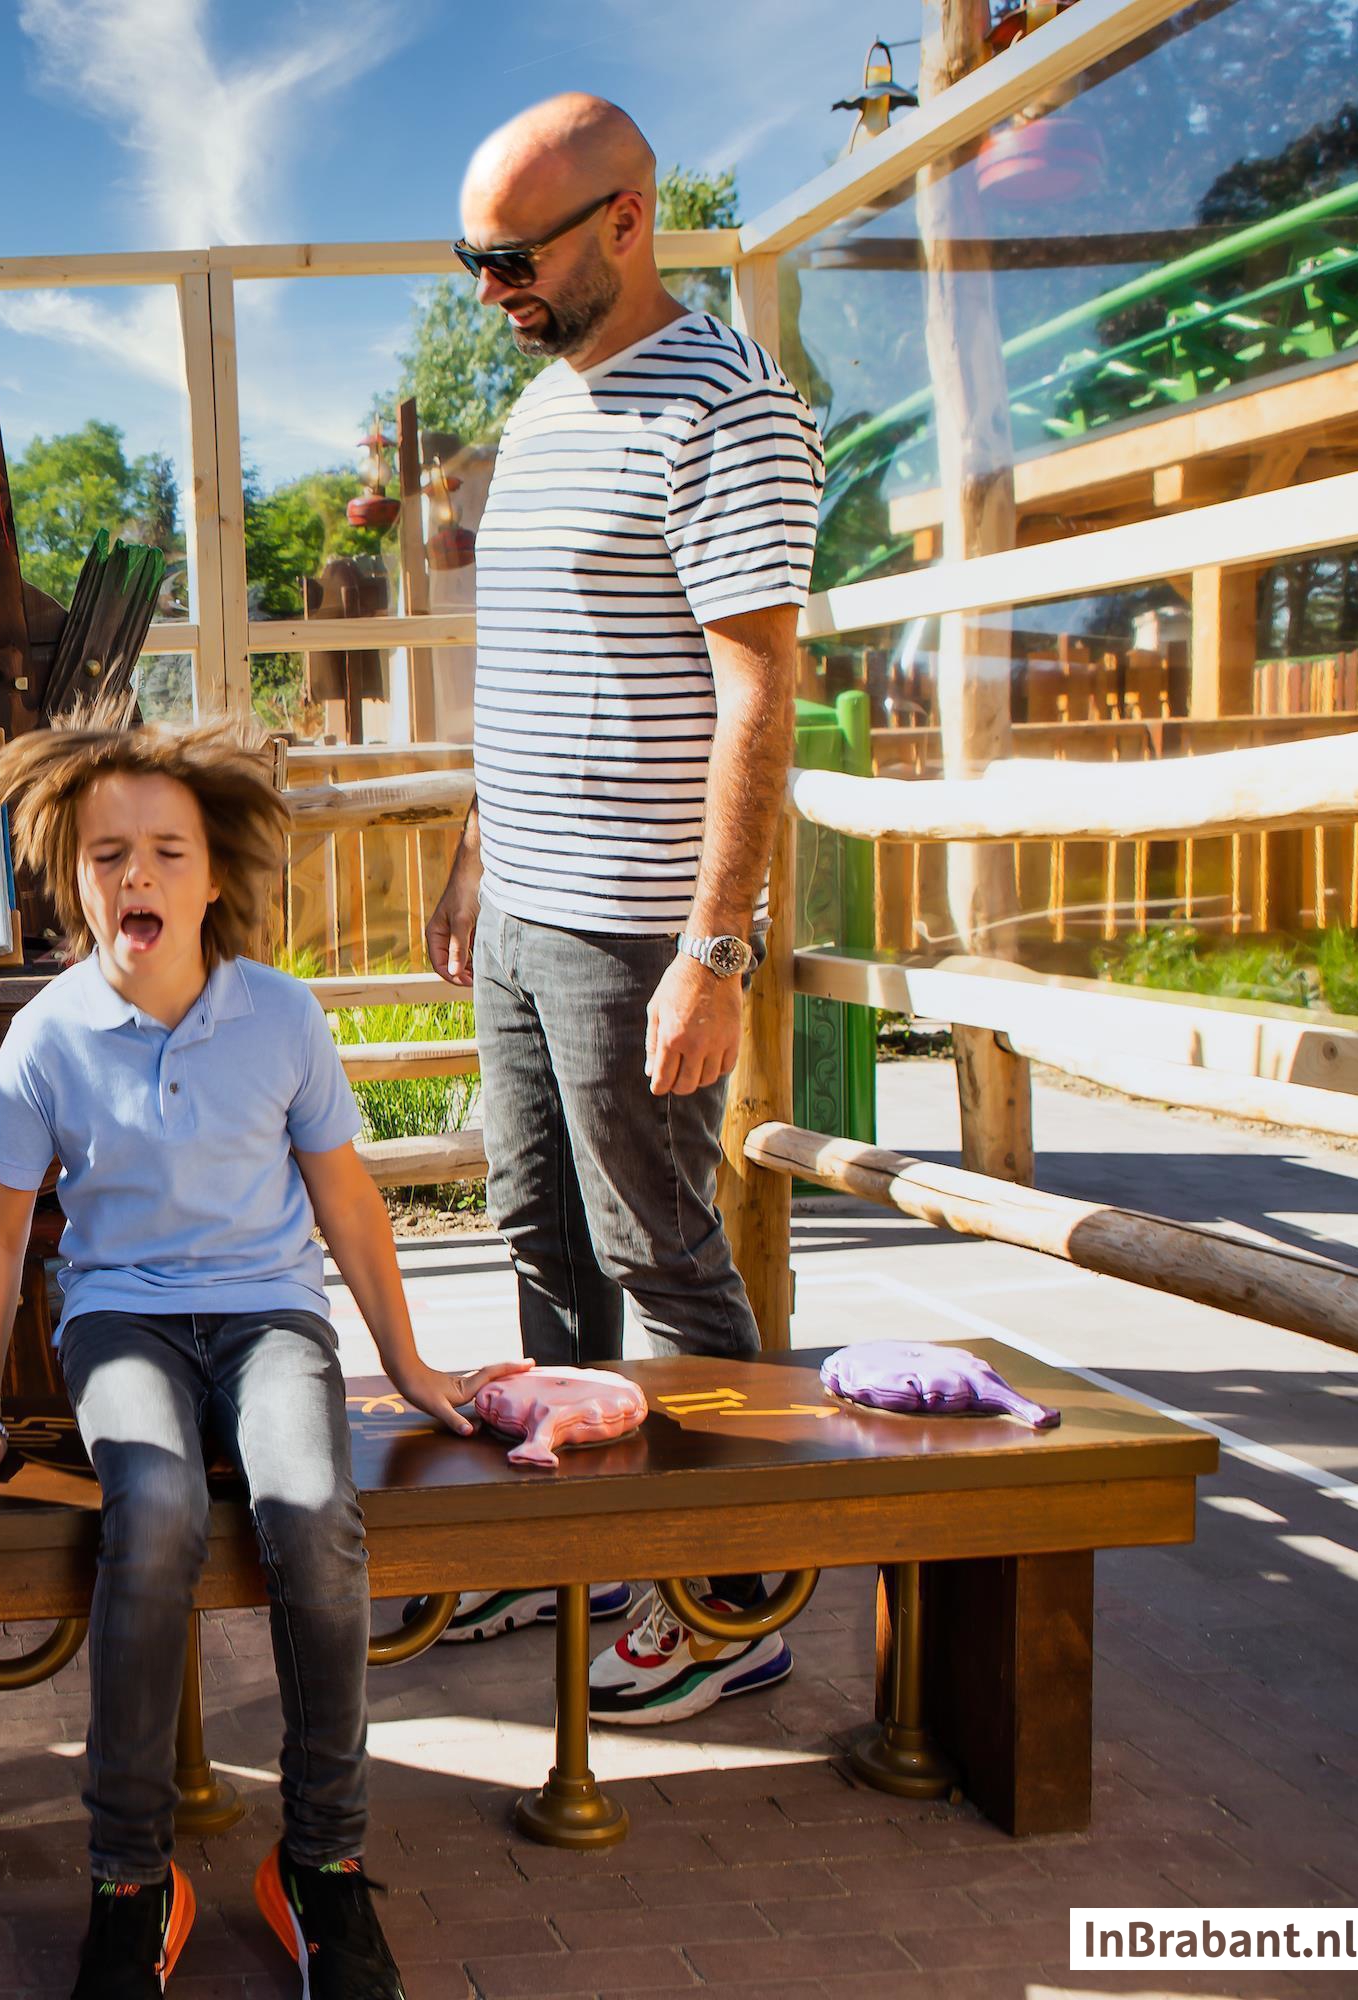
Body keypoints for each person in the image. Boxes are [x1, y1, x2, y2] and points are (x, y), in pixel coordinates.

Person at [0, 714, 525, 2000]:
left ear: (214, 874)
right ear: (72, 878)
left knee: (311, 1508)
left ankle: (323, 1862)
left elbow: (348, 1203)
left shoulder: (281, 1016)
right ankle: (132, 1878)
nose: (139, 874)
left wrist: (410, 1363)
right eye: (108, 852)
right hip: (120, 1321)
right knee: (157, 1506)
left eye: (168, 850)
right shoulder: (45, 1037)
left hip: (269, 1314)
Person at [421, 95, 823, 1724]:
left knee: (660, 1253)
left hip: (635, 922)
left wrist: (714, 952)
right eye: (473, 259)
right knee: (540, 1238)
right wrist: (474, 849)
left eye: (513, 258)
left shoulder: (728, 406)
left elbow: (759, 692)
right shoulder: (545, 405)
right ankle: (572, 1534)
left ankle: (732, 1593)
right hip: (525, 903)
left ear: (626, 220)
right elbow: (531, 657)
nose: (490, 290)